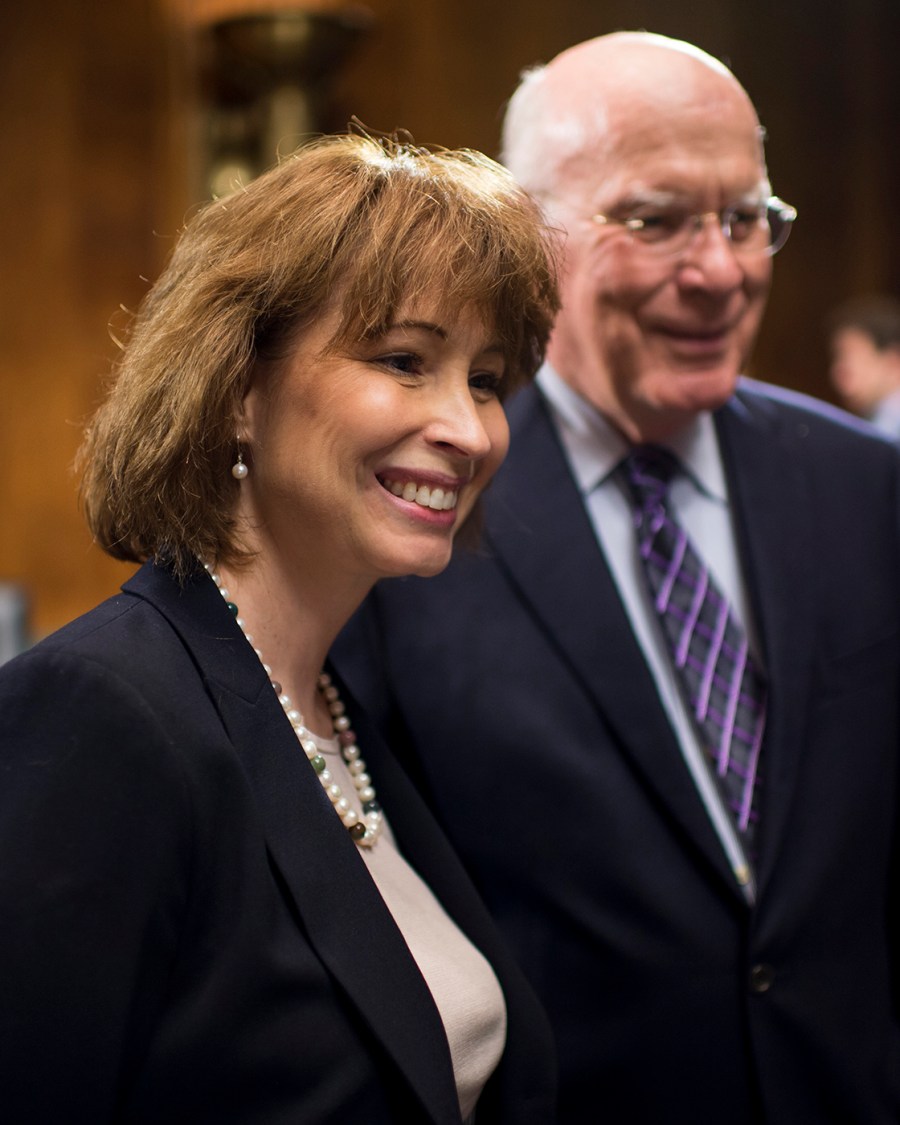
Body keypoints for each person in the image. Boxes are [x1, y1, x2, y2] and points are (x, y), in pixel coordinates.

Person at [332, 33, 900, 1124]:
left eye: (746, 219)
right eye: (657, 220)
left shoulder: (865, 488)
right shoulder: (412, 522)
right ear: (528, 239)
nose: (722, 270)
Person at [0, 132, 561, 1124]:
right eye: (404, 360)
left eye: (485, 378)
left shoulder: (340, 707)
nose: (469, 431)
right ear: (238, 389)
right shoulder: (103, 713)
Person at [827, 292, 900, 438]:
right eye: (837, 358)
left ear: (893, 361)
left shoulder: (887, 430)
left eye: (851, 357)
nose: (837, 371)